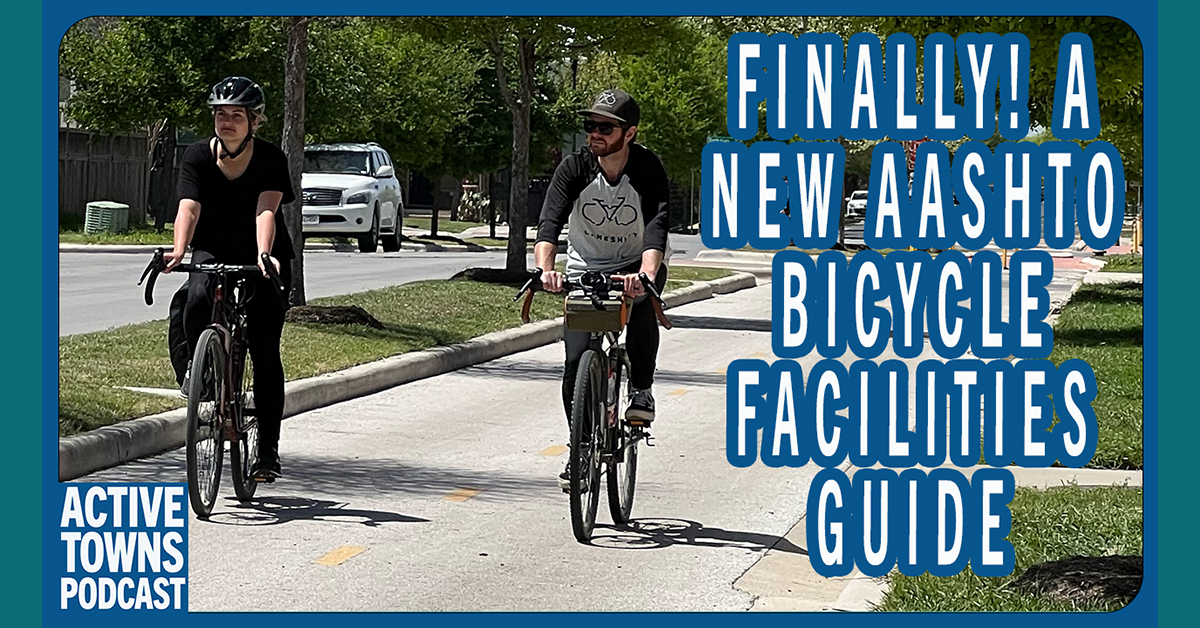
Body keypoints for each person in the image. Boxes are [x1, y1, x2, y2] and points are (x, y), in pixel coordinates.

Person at [534, 88, 671, 490]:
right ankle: (581, 448)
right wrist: (545, 270)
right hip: (586, 268)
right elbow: (549, 225)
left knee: (643, 303)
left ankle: (641, 390)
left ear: (628, 133)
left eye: (604, 127)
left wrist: (644, 276)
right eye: (590, 125)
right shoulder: (575, 168)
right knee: (577, 363)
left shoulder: (647, 169)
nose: (594, 133)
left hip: (635, 265)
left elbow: (656, 230)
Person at [164, 76, 296, 481]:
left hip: (264, 254)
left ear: (254, 121)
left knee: (263, 346)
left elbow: (265, 210)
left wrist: (262, 254)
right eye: (221, 114)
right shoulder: (197, 156)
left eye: (236, 115)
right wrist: (180, 249)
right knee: (197, 296)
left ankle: (268, 453)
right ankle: (199, 371)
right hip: (213, 247)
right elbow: (188, 207)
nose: (227, 121)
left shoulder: (271, 159)